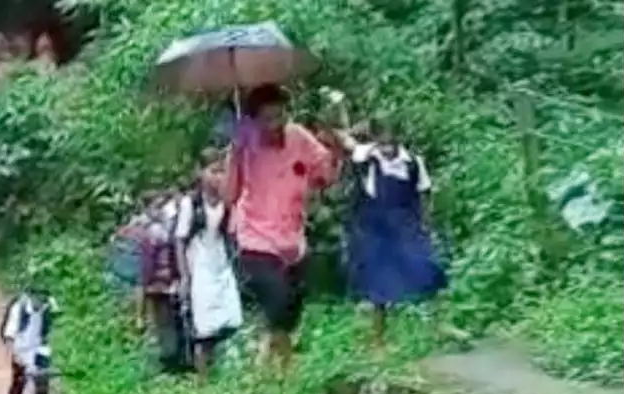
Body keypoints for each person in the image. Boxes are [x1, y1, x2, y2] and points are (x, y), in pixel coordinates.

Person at [225, 84, 341, 370]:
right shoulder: (243, 145)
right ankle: (267, 363)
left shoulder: (299, 136)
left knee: (291, 310)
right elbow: (229, 195)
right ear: (254, 120)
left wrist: (335, 147)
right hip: (255, 237)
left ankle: (280, 367)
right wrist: (234, 155)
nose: (275, 125)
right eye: (267, 119)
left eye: (281, 116)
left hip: (292, 239)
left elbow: (325, 173)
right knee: (278, 299)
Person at [339, 120, 450, 348]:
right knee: (379, 282)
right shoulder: (368, 157)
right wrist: (353, 130)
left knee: (428, 269)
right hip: (377, 228)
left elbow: (424, 193)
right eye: (382, 143)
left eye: (391, 143)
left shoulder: (413, 163)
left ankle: (440, 325)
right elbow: (344, 141)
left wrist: (426, 223)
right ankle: (378, 339)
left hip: (407, 225)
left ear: (399, 141)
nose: (387, 149)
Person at [174, 150, 242, 377]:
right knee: (203, 327)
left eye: (222, 172)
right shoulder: (191, 204)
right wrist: (185, 276)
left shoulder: (227, 202)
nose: (218, 177)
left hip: (221, 264)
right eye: (213, 171)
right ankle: (201, 377)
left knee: (229, 320)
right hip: (199, 266)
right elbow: (179, 240)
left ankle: (221, 374)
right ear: (200, 173)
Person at [136, 191, 190, 374]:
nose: (161, 210)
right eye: (156, 206)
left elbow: (146, 268)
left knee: (168, 324)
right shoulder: (158, 231)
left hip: (165, 285)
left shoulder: (158, 230)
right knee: (168, 324)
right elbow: (147, 267)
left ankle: (172, 362)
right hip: (162, 286)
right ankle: (174, 361)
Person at [0, 283, 58, 394]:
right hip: (21, 346)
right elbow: (9, 334)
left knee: (42, 382)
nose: (39, 302)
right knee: (18, 384)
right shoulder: (18, 308)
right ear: (30, 296)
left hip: (40, 347)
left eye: (42, 298)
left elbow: (57, 327)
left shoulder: (50, 306)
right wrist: (13, 354)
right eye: (37, 298)